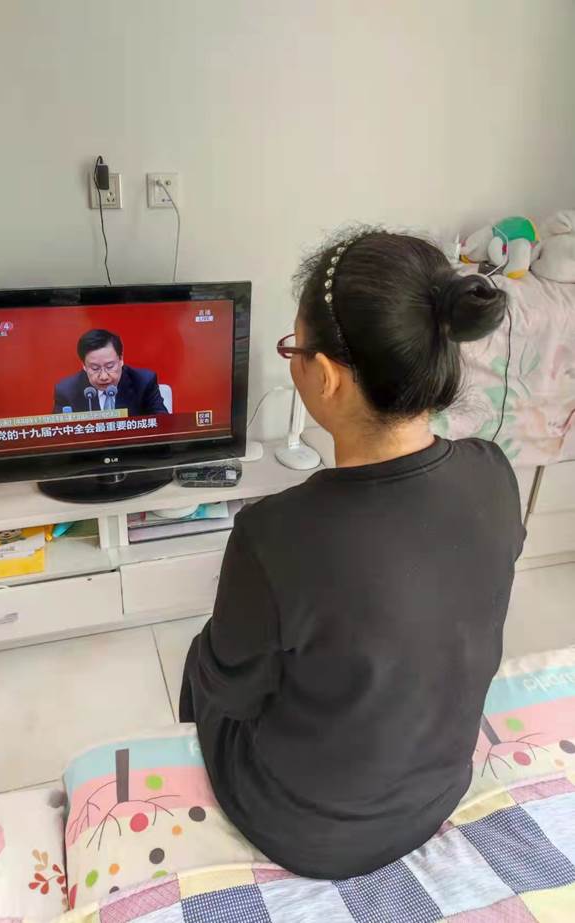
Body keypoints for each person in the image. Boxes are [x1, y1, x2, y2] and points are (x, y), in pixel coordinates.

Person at [180, 228, 525, 880]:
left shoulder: (273, 533)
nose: (293, 362)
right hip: (437, 790)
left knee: (204, 660)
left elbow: (232, 691)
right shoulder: (493, 473)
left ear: (327, 377)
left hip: (307, 830)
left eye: (294, 349)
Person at [53, 329, 169, 416]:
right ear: (84, 365)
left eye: (110, 366)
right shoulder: (67, 391)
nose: (104, 377)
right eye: (95, 368)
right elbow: (58, 433)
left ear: (121, 359)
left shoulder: (143, 382)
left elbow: (163, 425)